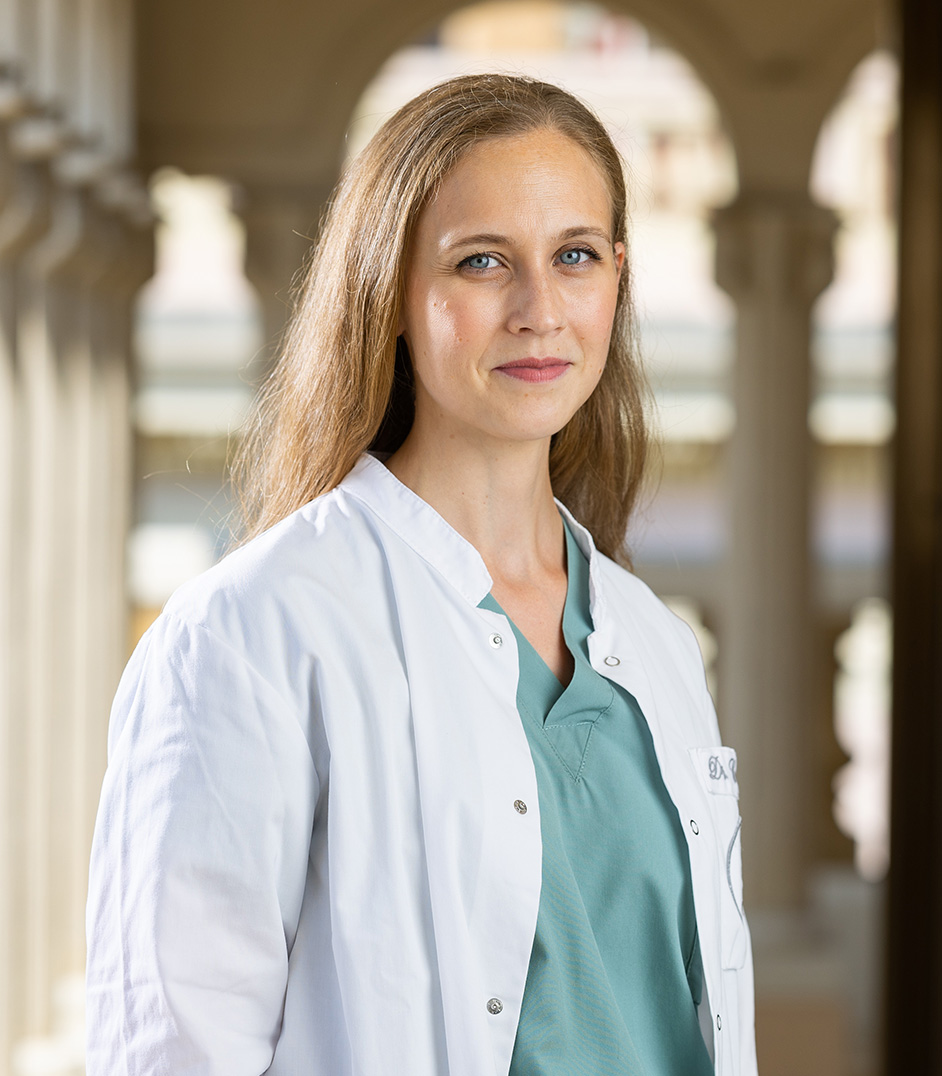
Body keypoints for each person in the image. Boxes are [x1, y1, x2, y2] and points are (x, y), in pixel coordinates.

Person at [86, 74, 757, 1076]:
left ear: (617, 277)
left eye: (574, 256)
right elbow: (173, 1047)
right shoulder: (252, 634)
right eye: (482, 261)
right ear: (388, 292)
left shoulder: (651, 641)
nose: (540, 309)